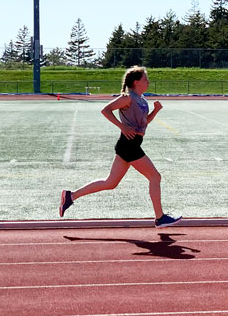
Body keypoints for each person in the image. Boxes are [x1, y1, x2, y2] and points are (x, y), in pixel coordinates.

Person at [59, 66, 181, 228]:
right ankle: (160, 218)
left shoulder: (142, 99)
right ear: (136, 82)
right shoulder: (127, 98)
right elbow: (106, 110)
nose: (148, 82)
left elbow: (144, 124)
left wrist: (155, 111)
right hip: (129, 145)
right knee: (155, 177)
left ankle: (70, 196)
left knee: (110, 182)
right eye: (145, 79)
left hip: (130, 144)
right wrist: (122, 127)